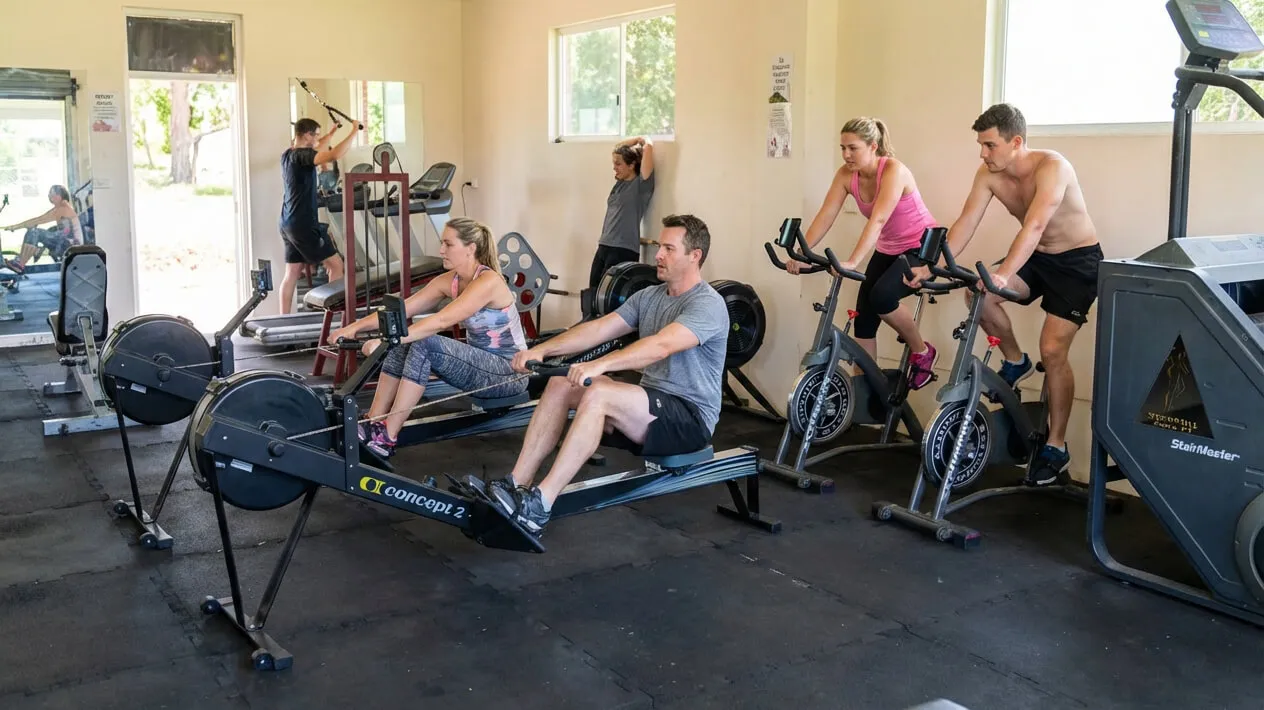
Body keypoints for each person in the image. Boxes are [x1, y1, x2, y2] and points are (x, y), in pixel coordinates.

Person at [487, 214, 728, 538]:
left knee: (600, 393)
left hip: (690, 418)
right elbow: (598, 329)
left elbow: (661, 346)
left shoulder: (708, 305)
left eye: (669, 249)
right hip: (648, 407)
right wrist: (541, 350)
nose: (658, 255)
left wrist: (600, 365)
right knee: (561, 383)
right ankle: (516, 484)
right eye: (660, 247)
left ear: (694, 255)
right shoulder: (650, 297)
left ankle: (540, 504)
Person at [905, 103, 1102, 486]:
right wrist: (932, 266)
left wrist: (1003, 273)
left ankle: (1056, 446)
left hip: (1077, 264)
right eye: (981, 145)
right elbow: (966, 221)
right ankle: (1015, 361)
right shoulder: (989, 174)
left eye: (990, 145)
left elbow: (1035, 225)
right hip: (1037, 258)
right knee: (979, 297)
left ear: (1016, 142)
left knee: (1053, 351)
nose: (983, 153)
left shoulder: (1053, 167)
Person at [328, 217, 528, 459]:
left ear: (471, 248)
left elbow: (442, 321)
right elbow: (403, 309)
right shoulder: (450, 280)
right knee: (401, 344)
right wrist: (353, 328)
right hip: (480, 365)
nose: (441, 250)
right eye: (442, 243)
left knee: (422, 342)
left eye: (448, 244)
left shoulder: (488, 281)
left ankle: (387, 436)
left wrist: (387, 341)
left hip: (509, 373)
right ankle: (374, 420)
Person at [788, 117, 941, 389]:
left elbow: (878, 220)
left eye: (853, 148)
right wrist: (801, 254)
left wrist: (852, 261)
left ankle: (922, 351)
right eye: (843, 148)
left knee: (882, 296)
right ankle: (867, 388)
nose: (846, 155)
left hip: (921, 247)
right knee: (864, 318)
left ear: (873, 146)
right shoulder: (846, 175)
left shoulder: (893, 170)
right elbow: (826, 214)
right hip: (889, 248)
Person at [278, 117, 358, 314]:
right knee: (336, 265)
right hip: (303, 224)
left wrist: (331, 133)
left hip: (287, 222)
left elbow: (319, 147)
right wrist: (354, 131)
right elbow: (333, 154)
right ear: (307, 135)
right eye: (316, 135)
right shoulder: (303, 156)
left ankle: (283, 319)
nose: (318, 139)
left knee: (292, 272)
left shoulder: (288, 154)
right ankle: (333, 317)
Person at [589, 136, 656, 288]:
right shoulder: (619, 184)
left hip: (623, 249)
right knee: (592, 292)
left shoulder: (641, 186)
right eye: (614, 163)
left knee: (609, 295)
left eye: (618, 164)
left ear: (632, 165)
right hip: (604, 245)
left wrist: (644, 139)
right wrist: (635, 139)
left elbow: (648, 148)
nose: (614, 168)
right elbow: (618, 148)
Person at [1, 185, 83, 273]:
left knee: (34, 232)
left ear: (58, 196)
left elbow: (37, 220)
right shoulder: (63, 207)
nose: (49, 196)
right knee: (33, 231)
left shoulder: (63, 208)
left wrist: (15, 227)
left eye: (51, 193)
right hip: (65, 243)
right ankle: (21, 260)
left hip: (70, 246)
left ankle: (20, 263)